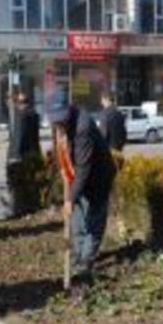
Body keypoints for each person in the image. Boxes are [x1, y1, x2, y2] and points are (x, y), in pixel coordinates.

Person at [45, 90, 116, 294]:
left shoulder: (83, 126)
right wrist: (66, 183)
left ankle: (85, 265)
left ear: (68, 110)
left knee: (93, 222)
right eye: (56, 120)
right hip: (76, 178)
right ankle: (77, 257)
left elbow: (84, 168)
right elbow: (61, 152)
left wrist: (69, 199)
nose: (59, 123)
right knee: (77, 221)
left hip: (97, 179)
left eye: (62, 119)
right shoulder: (58, 125)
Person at [6, 92, 44, 217]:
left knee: (18, 186)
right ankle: (32, 207)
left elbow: (19, 136)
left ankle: (19, 210)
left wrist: (14, 156)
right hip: (33, 153)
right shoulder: (34, 115)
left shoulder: (21, 116)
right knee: (31, 183)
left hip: (21, 156)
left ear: (18, 103)